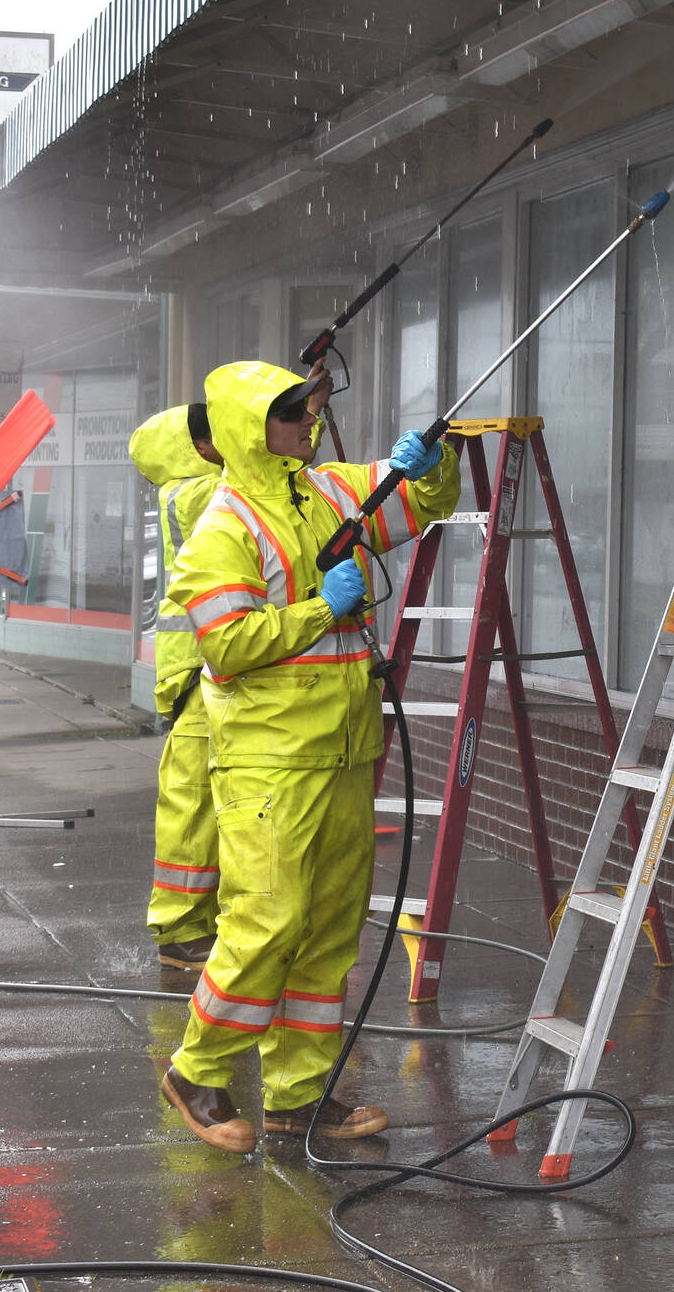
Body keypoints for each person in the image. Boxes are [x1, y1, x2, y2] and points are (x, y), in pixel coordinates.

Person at [159, 360, 459, 1156]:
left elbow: (418, 508)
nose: (307, 419)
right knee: (267, 923)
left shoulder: (324, 490)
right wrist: (315, 611)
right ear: (248, 427)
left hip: (345, 753)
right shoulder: (223, 528)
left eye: (306, 407)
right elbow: (225, 646)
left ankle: (300, 1094)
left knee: (327, 933)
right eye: (290, 411)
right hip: (271, 765)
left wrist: (433, 468)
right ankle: (197, 1070)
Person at [128, 402, 225, 971]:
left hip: (199, 662)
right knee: (193, 802)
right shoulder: (197, 493)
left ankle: (195, 923)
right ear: (199, 449)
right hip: (201, 664)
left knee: (203, 798)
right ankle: (182, 929)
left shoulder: (194, 490)